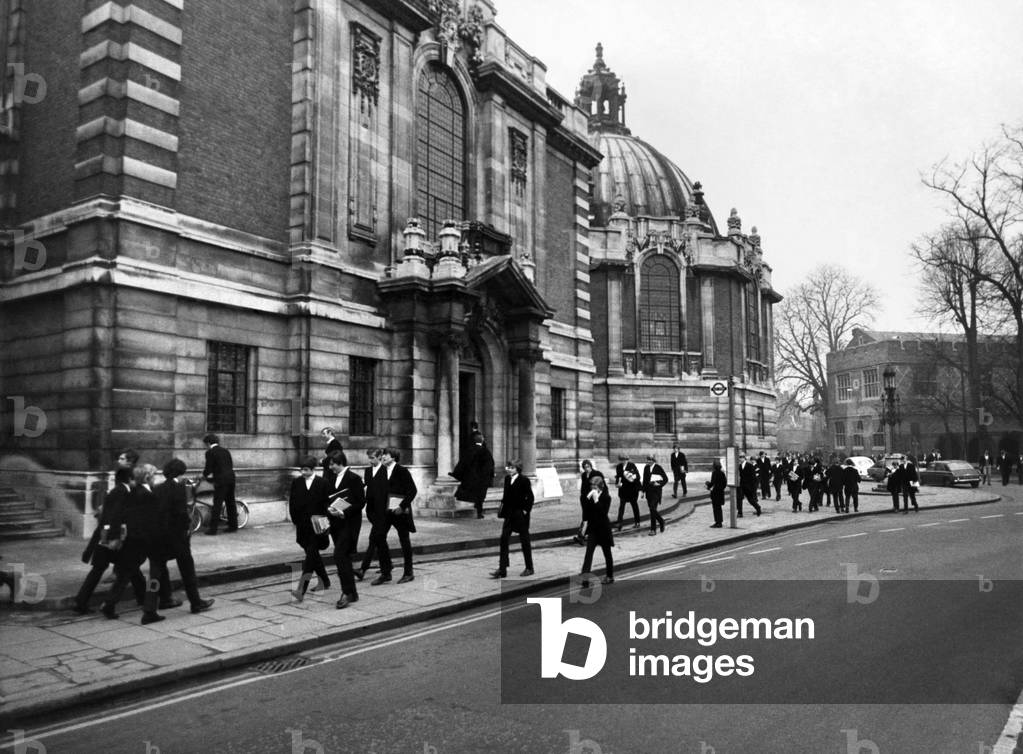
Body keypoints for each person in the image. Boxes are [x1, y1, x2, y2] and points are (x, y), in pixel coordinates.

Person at [146, 459, 215, 619]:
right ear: (180, 472)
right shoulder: (178, 489)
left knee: (155, 574)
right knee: (187, 571)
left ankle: (149, 609)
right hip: (177, 539)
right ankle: (195, 601)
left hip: (157, 538)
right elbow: (181, 514)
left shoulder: (157, 489)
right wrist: (186, 530)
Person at [73, 467, 145, 613]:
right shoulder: (123, 492)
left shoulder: (116, 491)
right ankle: (139, 598)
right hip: (112, 539)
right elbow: (116, 515)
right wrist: (115, 537)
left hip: (105, 536)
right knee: (129, 567)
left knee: (103, 569)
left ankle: (81, 601)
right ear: (130, 479)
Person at [100, 465, 160, 619]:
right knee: (129, 572)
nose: (155, 479)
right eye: (154, 476)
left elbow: (119, 514)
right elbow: (152, 521)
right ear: (147, 477)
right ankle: (110, 603)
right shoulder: (148, 495)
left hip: (130, 538)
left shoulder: (131, 492)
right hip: (141, 540)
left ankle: (142, 598)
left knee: (130, 570)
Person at [369, 447, 418, 585]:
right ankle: (386, 572)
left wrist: (402, 506)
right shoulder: (381, 471)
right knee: (378, 537)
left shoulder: (402, 471)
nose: (383, 457)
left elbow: (412, 491)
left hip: (400, 512)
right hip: (385, 512)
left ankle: (408, 572)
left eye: (386, 455)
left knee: (404, 540)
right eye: (383, 454)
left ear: (394, 457)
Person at [324, 450, 365, 609]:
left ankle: (346, 593)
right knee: (345, 558)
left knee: (339, 555)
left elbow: (361, 502)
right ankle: (353, 593)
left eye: (332, 464)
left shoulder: (354, 479)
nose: (330, 467)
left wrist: (344, 511)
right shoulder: (330, 478)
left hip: (349, 523)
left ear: (340, 462)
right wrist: (329, 510)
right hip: (335, 524)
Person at [288, 457, 331, 602]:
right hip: (302, 525)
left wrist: (325, 521)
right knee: (311, 554)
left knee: (310, 556)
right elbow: (292, 501)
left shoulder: (322, 483)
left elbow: (327, 504)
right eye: (302, 469)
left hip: (317, 525)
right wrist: (295, 519)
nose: (303, 472)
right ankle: (324, 580)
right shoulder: (297, 482)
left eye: (306, 470)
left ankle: (301, 589)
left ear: (313, 469)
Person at [491, 459, 534, 578]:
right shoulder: (507, 479)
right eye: (508, 467)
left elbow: (530, 497)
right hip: (509, 515)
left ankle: (529, 568)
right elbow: (505, 497)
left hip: (520, 515)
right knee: (504, 539)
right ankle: (502, 569)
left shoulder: (524, 480)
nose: (508, 469)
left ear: (517, 469)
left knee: (525, 541)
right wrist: (502, 510)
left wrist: (525, 511)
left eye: (511, 467)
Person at [451, 431, 495, 519]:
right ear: (482, 440)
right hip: (482, 479)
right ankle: (479, 512)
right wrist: (490, 476)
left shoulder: (469, 451)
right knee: (480, 496)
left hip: (471, 478)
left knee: (471, 494)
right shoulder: (485, 451)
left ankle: (476, 510)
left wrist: (457, 474)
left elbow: (462, 464)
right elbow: (490, 465)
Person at [580, 474, 614, 585]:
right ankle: (585, 579)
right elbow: (586, 511)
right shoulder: (590, 495)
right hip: (593, 529)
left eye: (594, 486)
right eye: (591, 486)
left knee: (607, 554)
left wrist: (596, 500)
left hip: (603, 529)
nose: (592, 488)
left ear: (600, 486)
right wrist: (584, 525)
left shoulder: (606, 497)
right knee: (588, 553)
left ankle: (609, 576)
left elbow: (603, 513)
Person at [356, 448, 385, 580]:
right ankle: (387, 566)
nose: (370, 460)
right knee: (380, 539)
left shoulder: (385, 471)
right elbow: (365, 486)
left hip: (383, 511)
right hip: (371, 510)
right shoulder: (367, 471)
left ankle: (363, 568)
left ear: (380, 457)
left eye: (373, 457)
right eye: (369, 458)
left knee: (373, 539)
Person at [202, 433, 237, 534]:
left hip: (221, 481)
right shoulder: (226, 451)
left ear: (208, 443)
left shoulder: (210, 452)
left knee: (217, 504)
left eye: (205, 445)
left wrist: (204, 476)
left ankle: (213, 529)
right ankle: (233, 526)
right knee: (230, 502)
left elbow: (208, 468)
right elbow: (228, 465)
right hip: (231, 478)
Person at [575, 460, 603, 545]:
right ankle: (582, 535)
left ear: (591, 466)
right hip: (585, 499)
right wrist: (582, 497)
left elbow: (601, 486)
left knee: (589, 518)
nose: (587, 469)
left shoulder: (597, 473)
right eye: (585, 467)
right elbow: (583, 487)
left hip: (593, 499)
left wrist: (597, 498)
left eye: (588, 467)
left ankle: (582, 535)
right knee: (586, 517)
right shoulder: (583, 475)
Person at [613, 454, 642, 531]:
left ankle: (637, 522)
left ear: (627, 459)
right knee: (621, 506)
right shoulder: (619, 466)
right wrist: (617, 483)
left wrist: (631, 477)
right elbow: (618, 477)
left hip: (632, 490)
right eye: (622, 460)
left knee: (634, 506)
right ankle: (619, 523)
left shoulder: (632, 465)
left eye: (625, 460)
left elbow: (638, 476)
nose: (624, 461)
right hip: (623, 490)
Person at [642, 454, 668, 535]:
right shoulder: (646, 468)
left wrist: (659, 484)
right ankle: (661, 522)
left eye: (650, 460)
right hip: (649, 492)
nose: (648, 461)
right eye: (647, 460)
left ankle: (653, 529)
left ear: (653, 460)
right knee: (652, 510)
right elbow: (645, 480)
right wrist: (643, 491)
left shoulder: (658, 467)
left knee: (653, 508)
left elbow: (665, 479)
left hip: (656, 492)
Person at [705, 460, 727, 527]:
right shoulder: (722, 473)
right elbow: (724, 483)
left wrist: (707, 484)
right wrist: (721, 488)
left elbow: (713, 483)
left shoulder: (714, 473)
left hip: (715, 493)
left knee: (715, 508)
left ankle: (718, 522)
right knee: (719, 508)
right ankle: (720, 521)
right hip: (720, 493)